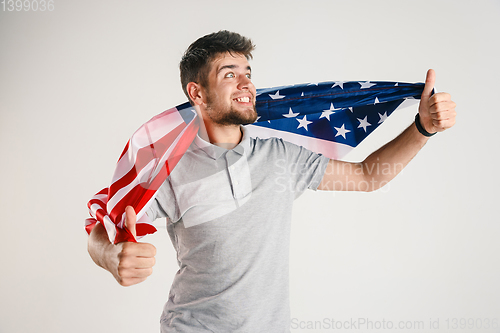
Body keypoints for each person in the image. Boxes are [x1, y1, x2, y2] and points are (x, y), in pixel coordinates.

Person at [87, 30, 456, 332]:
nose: (246, 82)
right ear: (196, 93)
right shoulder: (170, 168)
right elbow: (106, 219)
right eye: (229, 73)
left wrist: (423, 128)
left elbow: (366, 177)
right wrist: (109, 253)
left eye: (248, 71)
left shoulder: (281, 156)